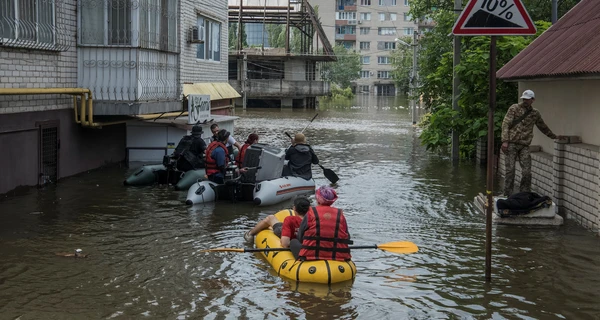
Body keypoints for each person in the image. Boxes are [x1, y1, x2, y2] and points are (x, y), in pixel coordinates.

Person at [501, 90, 563, 196]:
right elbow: (505, 124)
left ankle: (524, 194)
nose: (525, 101)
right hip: (512, 143)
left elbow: (542, 126)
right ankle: (507, 194)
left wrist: (554, 136)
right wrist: (505, 141)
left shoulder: (535, 113)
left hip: (524, 145)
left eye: (527, 99)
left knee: (527, 171)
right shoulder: (514, 108)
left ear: (533, 100)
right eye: (524, 99)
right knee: (510, 170)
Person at [292, 186, 352, 261]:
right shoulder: (340, 214)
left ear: (318, 199)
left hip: (311, 256)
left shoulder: (311, 213)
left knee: (293, 242)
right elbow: (347, 237)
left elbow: (300, 237)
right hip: (338, 256)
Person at [244, 196, 311, 249]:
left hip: (288, 236)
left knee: (270, 218)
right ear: (309, 209)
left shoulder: (290, 220)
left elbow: (285, 244)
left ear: (294, 208)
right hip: (302, 240)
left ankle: (250, 234)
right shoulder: (314, 220)